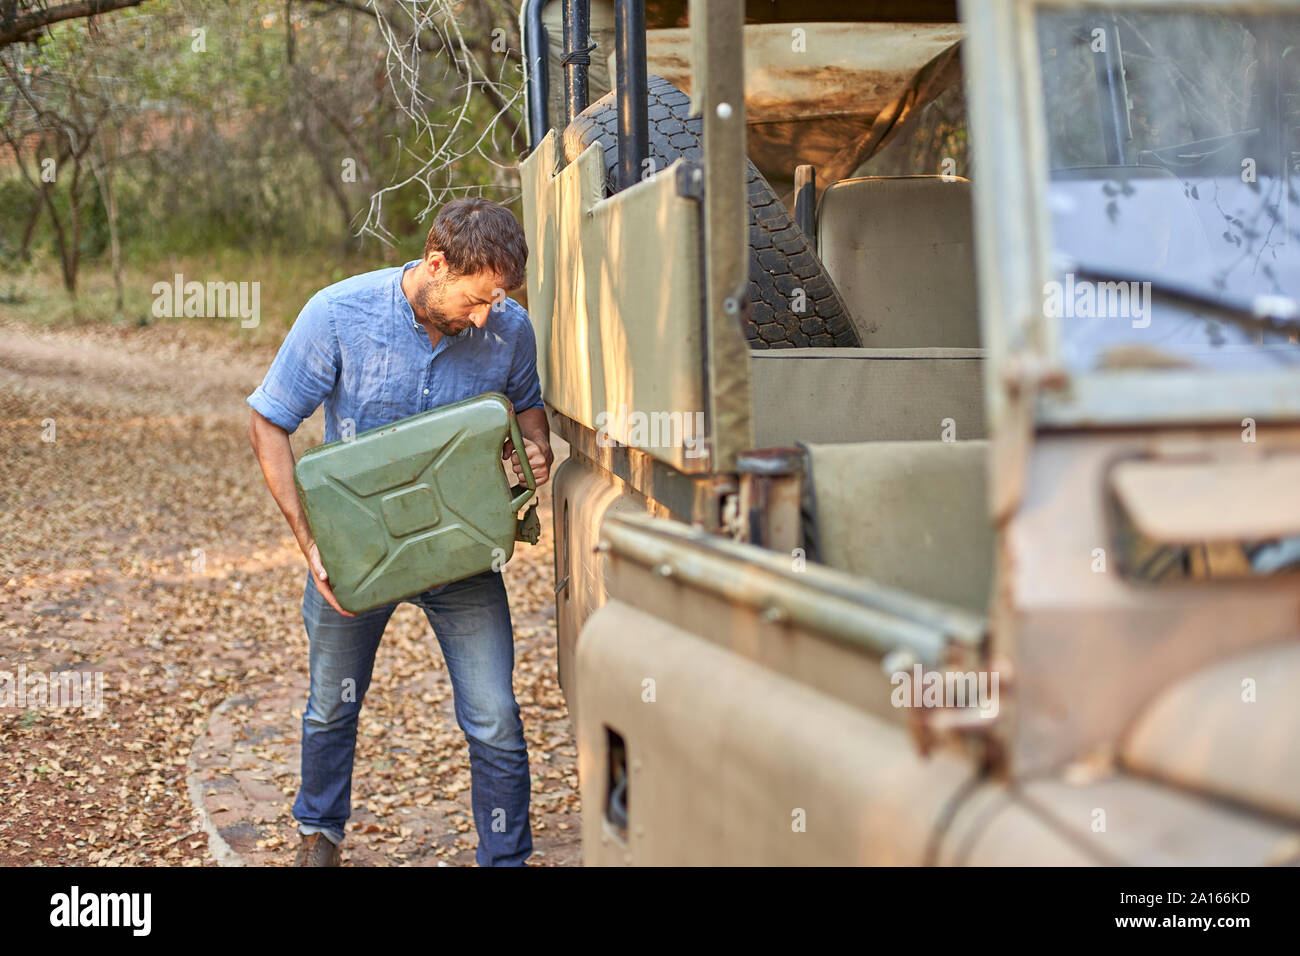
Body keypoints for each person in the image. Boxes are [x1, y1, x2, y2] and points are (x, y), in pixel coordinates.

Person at [246, 198, 553, 867]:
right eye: (475, 299)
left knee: (496, 715)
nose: (485, 317)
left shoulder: (509, 329)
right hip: (358, 559)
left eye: (496, 301)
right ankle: (319, 835)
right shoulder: (338, 314)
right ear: (435, 262)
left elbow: (528, 413)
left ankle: (506, 859)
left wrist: (536, 451)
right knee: (332, 705)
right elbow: (269, 422)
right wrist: (309, 542)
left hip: (462, 557)